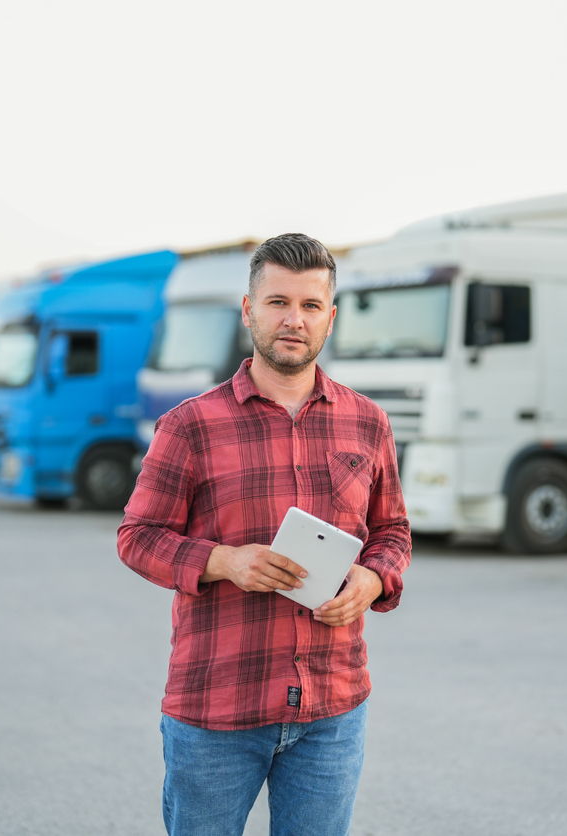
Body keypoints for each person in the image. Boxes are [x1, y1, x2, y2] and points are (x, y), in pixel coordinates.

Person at [117, 233, 412, 836]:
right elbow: (136, 535)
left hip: (332, 707)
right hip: (217, 709)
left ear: (330, 318)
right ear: (249, 311)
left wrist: (371, 578)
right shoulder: (189, 425)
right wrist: (225, 561)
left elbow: (392, 531)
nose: (293, 320)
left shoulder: (368, 421)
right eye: (278, 302)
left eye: (309, 306)